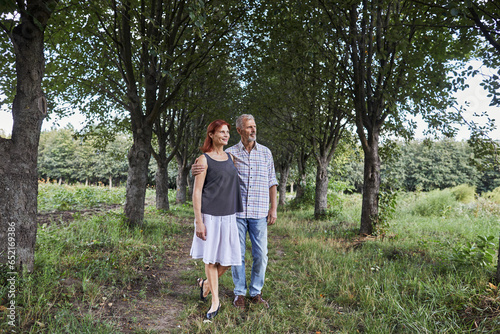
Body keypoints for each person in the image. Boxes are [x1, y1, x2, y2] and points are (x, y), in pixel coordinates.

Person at [192, 114, 278, 310]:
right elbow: (213, 166)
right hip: (235, 213)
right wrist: (195, 168)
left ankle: (255, 292)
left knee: (261, 254)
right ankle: (239, 293)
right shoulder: (230, 153)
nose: (253, 130)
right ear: (239, 131)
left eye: (254, 126)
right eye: (249, 127)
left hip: (259, 211)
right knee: (235, 256)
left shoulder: (266, 153)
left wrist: (273, 207)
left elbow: (272, 182)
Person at [190, 119, 243, 320]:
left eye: (228, 132)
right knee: (211, 259)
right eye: (221, 132)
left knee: (229, 261)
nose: (226, 135)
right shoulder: (203, 160)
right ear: (211, 134)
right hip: (210, 216)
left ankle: (205, 284)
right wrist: (199, 221)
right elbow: (196, 192)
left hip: (229, 216)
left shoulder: (231, 157)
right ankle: (215, 302)